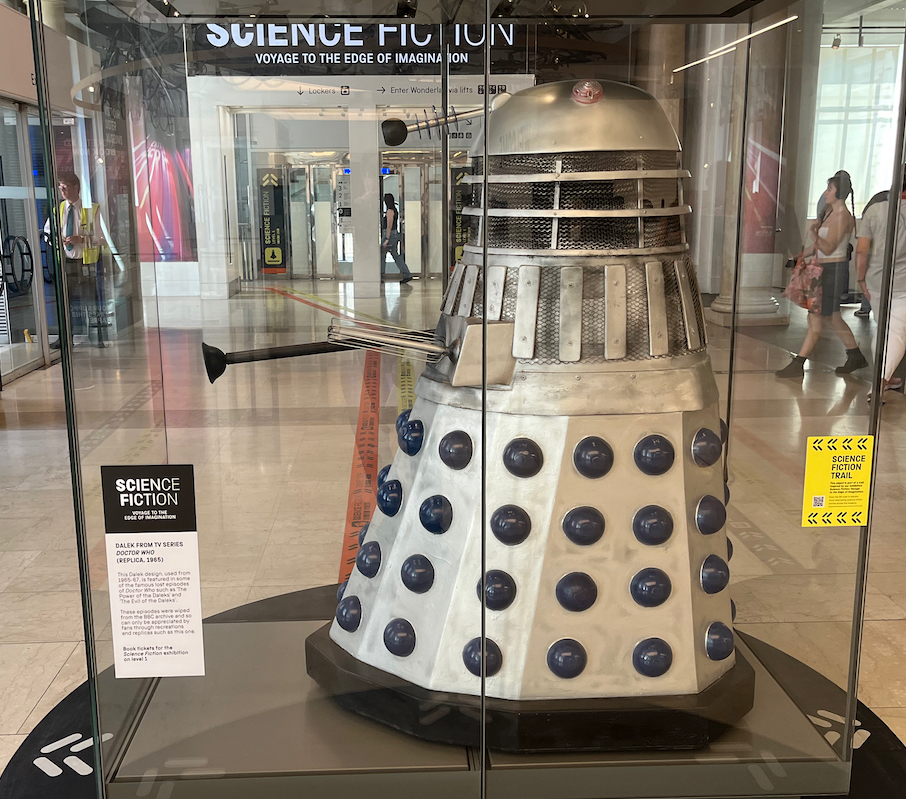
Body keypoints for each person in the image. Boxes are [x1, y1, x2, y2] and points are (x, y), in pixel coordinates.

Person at [776, 170, 868, 378]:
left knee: (816, 319)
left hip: (832, 272)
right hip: (823, 270)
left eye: (829, 189)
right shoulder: (828, 213)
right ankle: (854, 355)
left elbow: (827, 247)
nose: (825, 193)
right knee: (833, 317)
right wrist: (800, 256)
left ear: (838, 193)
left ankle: (798, 363)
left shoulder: (844, 217)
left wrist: (814, 233)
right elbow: (817, 248)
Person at [854, 169, 906, 393]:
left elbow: (862, 250)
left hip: (876, 280)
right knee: (895, 331)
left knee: (883, 329)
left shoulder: (875, 210)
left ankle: (887, 377)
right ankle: (881, 380)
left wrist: (860, 278)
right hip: (903, 284)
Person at [43, 172, 106, 345]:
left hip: (86, 263)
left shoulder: (92, 209)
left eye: (66, 187)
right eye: (60, 187)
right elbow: (47, 233)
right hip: (66, 262)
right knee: (65, 302)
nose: (62, 191)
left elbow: (101, 238)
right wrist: (58, 241)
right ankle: (65, 338)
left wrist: (82, 239)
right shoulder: (59, 209)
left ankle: (96, 337)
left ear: (76, 188)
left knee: (91, 303)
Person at [380, 193, 412, 284]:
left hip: (389, 234)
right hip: (394, 234)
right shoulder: (395, 210)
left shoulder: (390, 211)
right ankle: (407, 274)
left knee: (382, 255)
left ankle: (381, 275)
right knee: (395, 255)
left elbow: (389, 225)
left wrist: (387, 238)